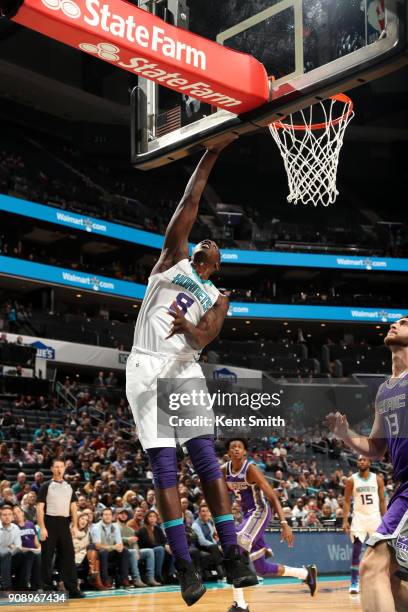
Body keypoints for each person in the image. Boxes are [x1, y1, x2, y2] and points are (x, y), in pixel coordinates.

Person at [126, 137, 257, 606]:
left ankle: (232, 554)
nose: (208, 239)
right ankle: (185, 567)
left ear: (218, 265)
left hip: (185, 367)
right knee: (164, 465)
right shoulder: (171, 260)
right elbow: (191, 198)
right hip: (147, 365)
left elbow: (205, 338)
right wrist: (213, 152)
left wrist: (190, 328)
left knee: (203, 456)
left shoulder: (218, 297)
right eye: (204, 239)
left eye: (215, 247)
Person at [327, 314, 408, 612]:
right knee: (391, 577)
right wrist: (346, 434)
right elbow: (375, 448)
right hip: (403, 489)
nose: (396, 323)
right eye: (396, 321)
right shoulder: (385, 390)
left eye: (405, 322)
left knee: (372, 566)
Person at [223, 439, 317, 612]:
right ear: (228, 452)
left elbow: (272, 496)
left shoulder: (251, 469)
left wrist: (284, 523)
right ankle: (305, 574)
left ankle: (240, 604)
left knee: (236, 545)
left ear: (245, 452)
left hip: (260, 511)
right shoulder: (224, 470)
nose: (236, 449)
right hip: (247, 516)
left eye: (239, 447)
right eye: (232, 447)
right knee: (262, 569)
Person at [37, 458, 84, 598]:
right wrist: (42, 528)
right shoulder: (46, 485)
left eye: (61, 467)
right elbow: (40, 507)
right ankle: (47, 589)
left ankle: (73, 589)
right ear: (52, 469)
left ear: (64, 468)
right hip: (49, 523)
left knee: (69, 557)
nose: (59, 469)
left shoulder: (69, 486)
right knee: (47, 558)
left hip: (64, 524)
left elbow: (73, 507)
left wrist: (75, 526)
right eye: (56, 467)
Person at [343, 455, 386, 594]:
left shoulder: (377, 479)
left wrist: (385, 519)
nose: (361, 461)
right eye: (359, 460)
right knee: (356, 551)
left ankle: (381, 580)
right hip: (359, 518)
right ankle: (354, 582)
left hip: (375, 518)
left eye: (364, 460)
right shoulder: (351, 480)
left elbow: (382, 501)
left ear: (369, 462)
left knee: (380, 552)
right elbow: (347, 501)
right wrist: (345, 520)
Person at [90, 507, 131, 588]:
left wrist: (118, 547)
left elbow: (119, 544)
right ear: (101, 516)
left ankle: (124, 579)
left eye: (109, 515)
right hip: (99, 554)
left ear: (112, 517)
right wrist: (114, 547)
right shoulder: (96, 528)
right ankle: (105, 580)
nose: (108, 516)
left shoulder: (115, 527)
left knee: (125, 551)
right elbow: (97, 546)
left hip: (111, 553)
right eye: (105, 515)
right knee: (103, 552)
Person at [0, 505, 34, 591]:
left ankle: (22, 586)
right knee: (5, 553)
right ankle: (7, 587)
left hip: (10, 558)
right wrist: (9, 548)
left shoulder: (15, 528)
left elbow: (18, 547)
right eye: (4, 515)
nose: (7, 517)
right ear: (0, 516)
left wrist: (10, 548)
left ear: (12, 516)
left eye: (9, 514)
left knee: (29, 554)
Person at [71, 512, 104, 591]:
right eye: (82, 518)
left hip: (85, 558)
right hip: (72, 557)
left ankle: (92, 571)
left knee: (93, 548)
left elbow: (89, 546)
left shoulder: (88, 532)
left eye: (86, 520)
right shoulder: (70, 530)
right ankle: (94, 578)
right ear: (77, 519)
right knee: (94, 553)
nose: (84, 521)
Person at [13, 505, 41, 591]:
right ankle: (23, 586)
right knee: (30, 555)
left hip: (33, 551)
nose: (17, 515)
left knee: (39, 555)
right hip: (21, 552)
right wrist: (30, 550)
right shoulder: (13, 527)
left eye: (18, 512)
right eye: (14, 514)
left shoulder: (31, 524)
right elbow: (15, 546)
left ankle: (36, 587)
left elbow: (36, 542)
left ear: (22, 513)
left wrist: (39, 548)